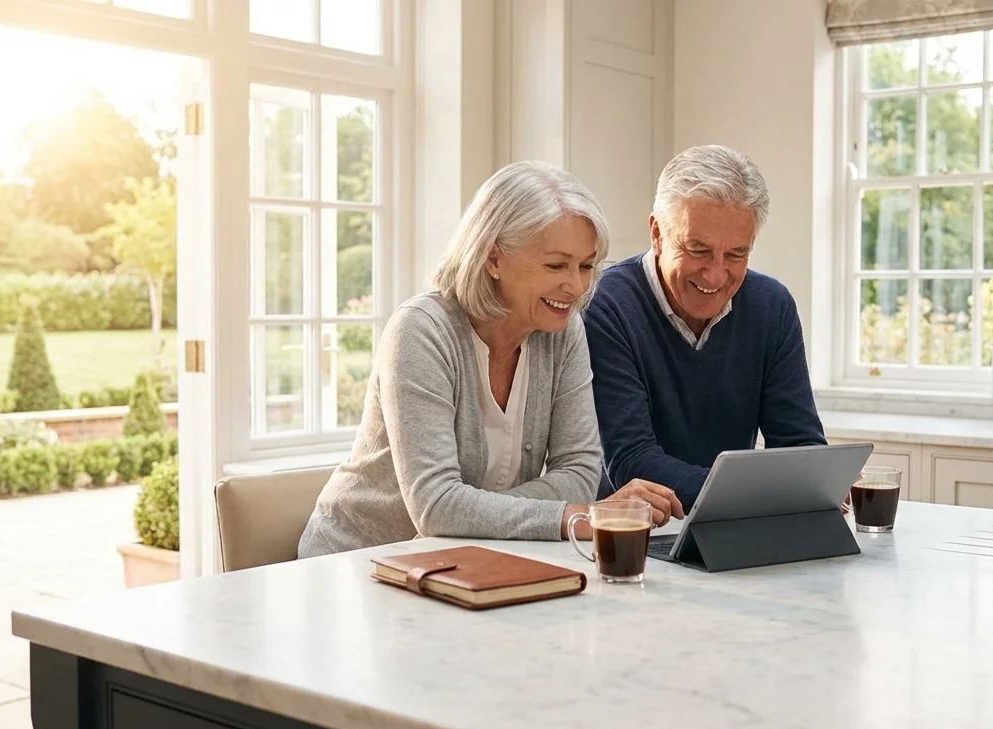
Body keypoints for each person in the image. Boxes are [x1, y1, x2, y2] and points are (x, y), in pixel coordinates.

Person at [297, 161, 681, 558]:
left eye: (586, 266)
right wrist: (576, 517)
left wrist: (471, 511)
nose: (577, 286)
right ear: (493, 258)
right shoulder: (420, 331)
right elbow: (436, 506)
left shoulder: (564, 332)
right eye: (556, 265)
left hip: (465, 560)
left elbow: (580, 474)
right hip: (355, 563)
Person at [583, 144, 826, 513]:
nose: (715, 273)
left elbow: (798, 443)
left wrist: (819, 480)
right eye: (697, 249)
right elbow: (631, 460)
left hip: (733, 524)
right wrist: (758, 496)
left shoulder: (772, 306)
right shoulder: (606, 304)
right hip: (634, 534)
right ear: (657, 233)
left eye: (735, 254)